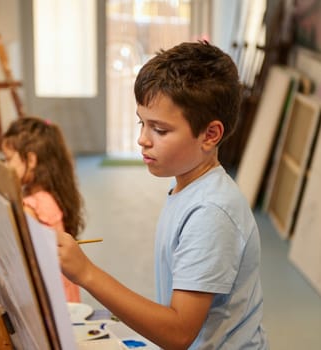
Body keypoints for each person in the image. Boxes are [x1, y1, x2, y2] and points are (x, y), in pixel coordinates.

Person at [57, 41, 268, 349]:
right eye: (142, 123)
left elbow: (178, 332)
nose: (142, 139)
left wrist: (86, 273)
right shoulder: (189, 186)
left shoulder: (211, 213)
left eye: (160, 130)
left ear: (210, 135)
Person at [1, 116, 85, 303]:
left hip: (51, 304)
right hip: (66, 297)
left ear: (30, 159)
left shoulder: (31, 208)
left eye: (8, 159)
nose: (5, 166)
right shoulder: (53, 195)